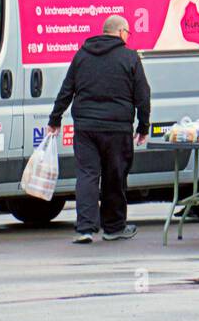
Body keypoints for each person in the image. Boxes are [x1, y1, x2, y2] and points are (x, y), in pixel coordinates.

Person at [48, 15, 150, 245]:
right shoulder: (130, 57)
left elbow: (67, 90)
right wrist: (143, 126)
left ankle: (85, 228)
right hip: (117, 128)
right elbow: (143, 95)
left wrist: (55, 119)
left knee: (87, 175)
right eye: (128, 33)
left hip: (85, 128)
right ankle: (113, 227)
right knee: (114, 177)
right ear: (122, 32)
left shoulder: (82, 55)